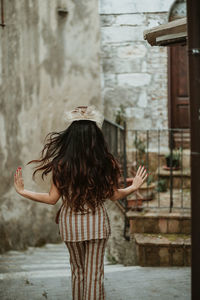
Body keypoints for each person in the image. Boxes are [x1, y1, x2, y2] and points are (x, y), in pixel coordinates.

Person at [14, 105, 147, 300]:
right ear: (96, 136)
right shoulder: (105, 162)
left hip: (71, 226)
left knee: (78, 273)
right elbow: (114, 195)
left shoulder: (62, 163)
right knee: (94, 276)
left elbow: (52, 199)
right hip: (97, 225)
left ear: (71, 137)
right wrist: (133, 187)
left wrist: (23, 192)